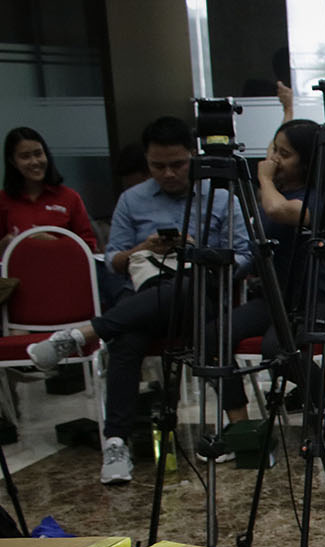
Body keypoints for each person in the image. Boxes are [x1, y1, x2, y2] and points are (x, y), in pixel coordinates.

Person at [28, 116, 252, 485]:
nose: (168, 174)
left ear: (192, 156)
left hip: (203, 297)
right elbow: (113, 263)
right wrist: (144, 247)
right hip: (149, 294)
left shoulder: (221, 198)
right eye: (157, 166)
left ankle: (83, 334)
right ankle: (116, 442)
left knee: (176, 290)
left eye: (177, 164)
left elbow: (247, 256)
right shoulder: (132, 200)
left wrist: (199, 253)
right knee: (128, 339)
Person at [1, 127, 97, 253]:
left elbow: (89, 246)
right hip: (18, 271)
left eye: (38, 154)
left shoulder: (69, 197)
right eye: (25, 157)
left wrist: (54, 243)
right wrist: (4, 244)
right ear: (13, 162)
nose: (35, 162)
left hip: (64, 270)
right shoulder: (3, 200)